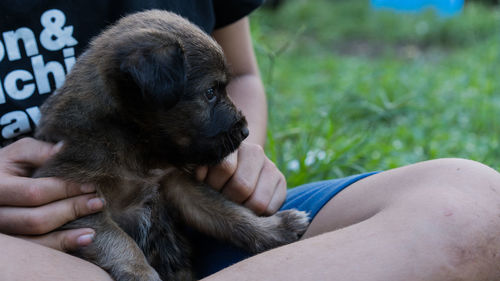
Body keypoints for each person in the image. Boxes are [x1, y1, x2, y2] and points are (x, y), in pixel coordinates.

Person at [1, 1, 499, 280]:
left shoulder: (164, 115)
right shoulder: (89, 139)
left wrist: (239, 173)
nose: (228, 114)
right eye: (210, 97)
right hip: (37, 254)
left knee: (475, 210)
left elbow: (239, 75)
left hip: (206, 252)